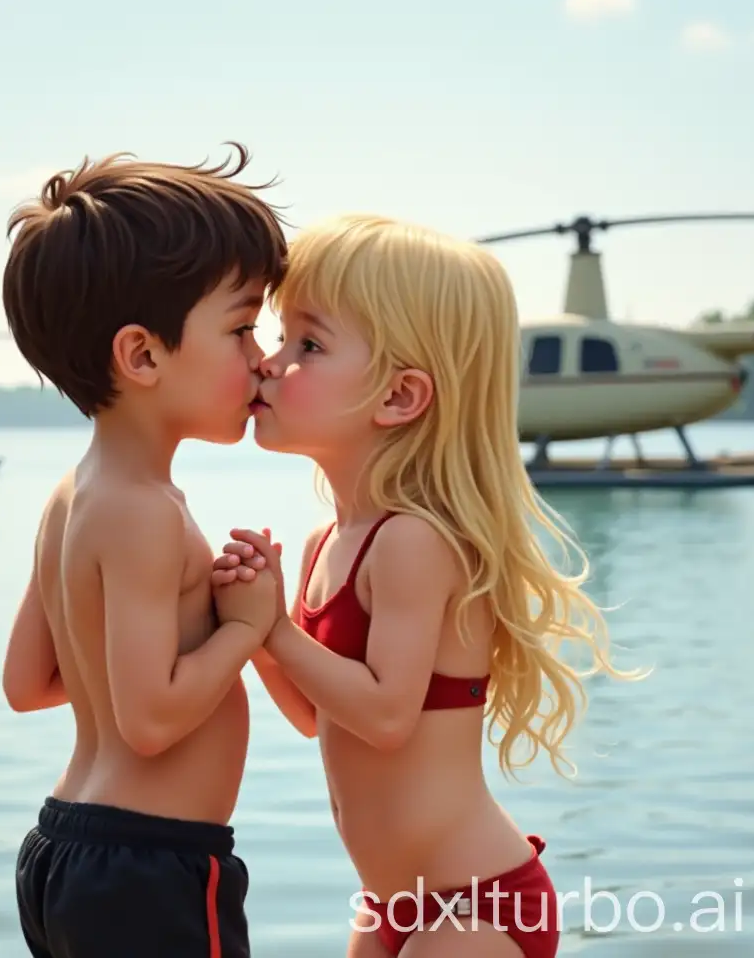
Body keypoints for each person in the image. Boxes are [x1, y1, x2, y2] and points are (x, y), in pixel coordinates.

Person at [210, 213, 642, 957]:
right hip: (391, 903)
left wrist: (273, 630)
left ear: (401, 397)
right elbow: (321, 717)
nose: (271, 363)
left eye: (308, 344)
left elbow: (384, 717)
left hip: (477, 904)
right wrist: (248, 631)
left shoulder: (412, 542)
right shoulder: (325, 542)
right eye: (280, 338)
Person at [0, 144, 287, 958]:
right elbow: (152, 720)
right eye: (240, 328)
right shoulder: (147, 513)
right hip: (148, 867)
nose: (262, 356)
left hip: (64, 848)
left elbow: (29, 683)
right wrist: (243, 627)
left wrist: (175, 633)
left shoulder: (73, 496)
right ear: (143, 354)